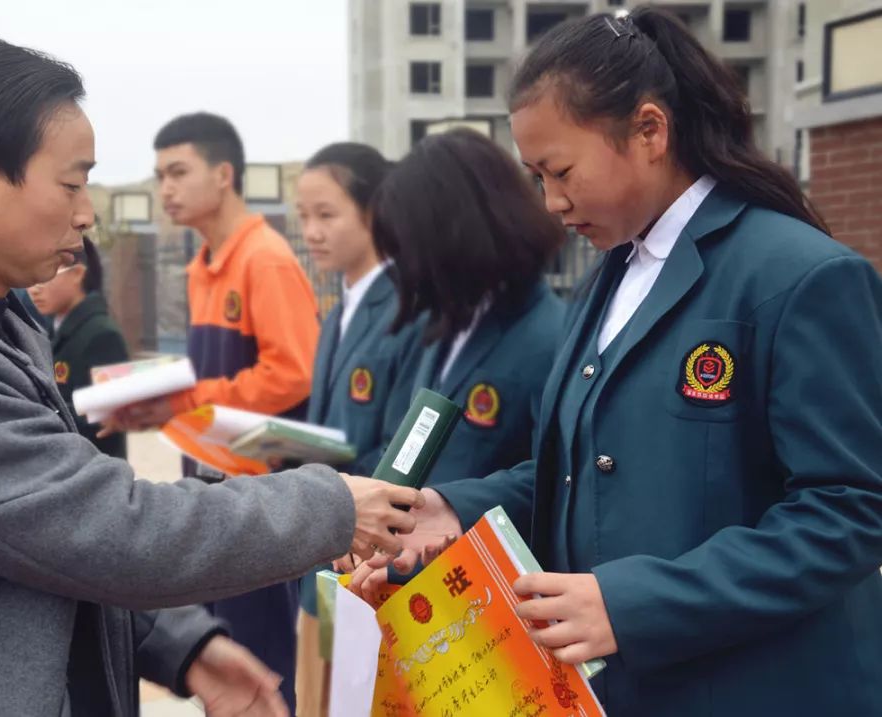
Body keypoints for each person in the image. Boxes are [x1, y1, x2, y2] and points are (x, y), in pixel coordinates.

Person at [0, 36, 423, 717]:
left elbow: (40, 539)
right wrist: (329, 505)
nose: (86, 212)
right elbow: (107, 527)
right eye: (70, 183)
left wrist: (181, 642)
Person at [354, 7, 882, 716]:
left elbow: (850, 509)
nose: (551, 201)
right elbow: (579, 472)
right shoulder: (609, 277)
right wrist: (452, 505)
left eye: (562, 170)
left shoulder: (798, 276)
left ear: (650, 131)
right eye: (535, 175)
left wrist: (634, 603)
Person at [101, 111, 323, 713]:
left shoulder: (265, 259)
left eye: (178, 172)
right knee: (220, 664)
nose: (164, 189)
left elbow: (292, 372)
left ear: (223, 174)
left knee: (262, 668)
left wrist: (188, 400)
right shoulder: (204, 265)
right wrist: (157, 403)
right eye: (158, 175)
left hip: (255, 498)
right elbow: (210, 380)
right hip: (205, 484)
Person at [292, 142, 426, 715]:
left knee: (345, 699)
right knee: (313, 697)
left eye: (327, 214)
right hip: (322, 550)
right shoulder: (339, 308)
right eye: (303, 217)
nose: (311, 232)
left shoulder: (406, 308)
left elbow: (401, 445)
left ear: (373, 212)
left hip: (364, 557)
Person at [371, 129, 565, 490]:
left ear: (455, 234)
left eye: (410, 247)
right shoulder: (443, 325)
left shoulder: (549, 339)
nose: (404, 265)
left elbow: (550, 483)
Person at [29, 236, 130, 457]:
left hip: (96, 471)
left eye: (46, 275)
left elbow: (105, 416)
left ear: (77, 274)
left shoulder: (102, 335)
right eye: (31, 277)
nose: (34, 289)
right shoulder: (54, 330)